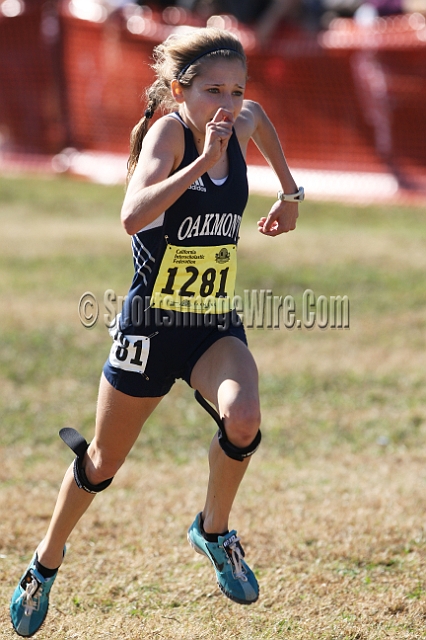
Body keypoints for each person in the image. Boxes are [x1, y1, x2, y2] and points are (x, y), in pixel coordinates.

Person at [10, 26, 302, 637]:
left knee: (243, 417)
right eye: (212, 90)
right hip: (150, 325)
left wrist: (290, 191)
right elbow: (132, 216)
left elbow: (262, 118)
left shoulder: (240, 120)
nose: (228, 103)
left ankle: (214, 531)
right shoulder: (172, 135)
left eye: (235, 89)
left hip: (211, 323)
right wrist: (202, 163)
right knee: (101, 461)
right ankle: (45, 562)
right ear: (180, 90)